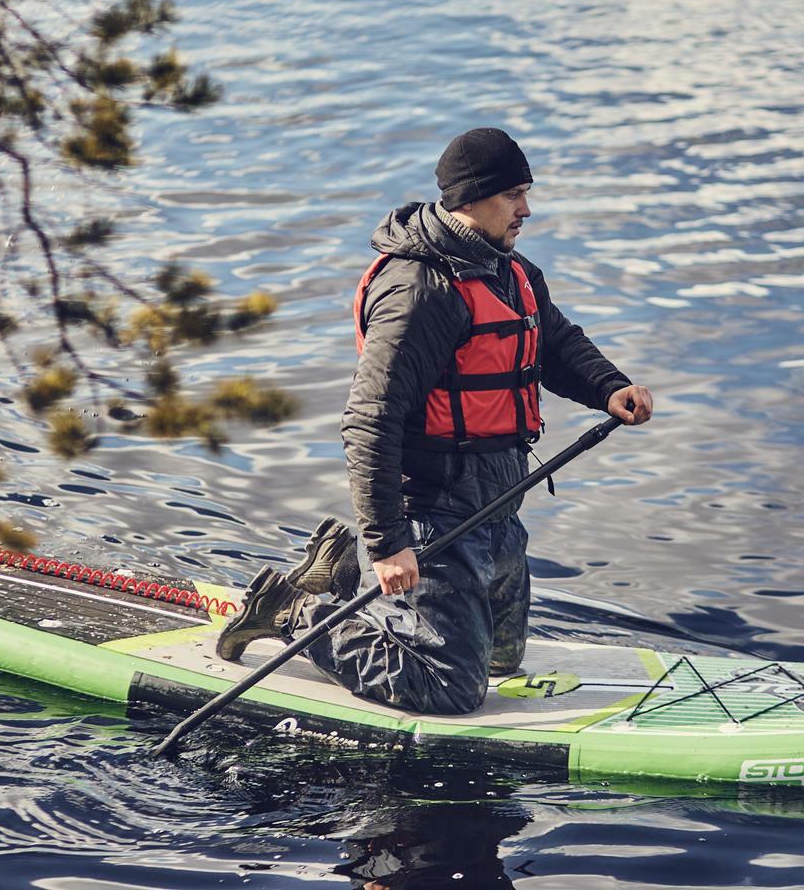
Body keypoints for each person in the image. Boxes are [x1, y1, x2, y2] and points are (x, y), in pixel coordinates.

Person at [217, 127, 653, 715]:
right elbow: (369, 422)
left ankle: (348, 585)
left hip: (499, 502)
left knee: (503, 660)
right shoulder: (419, 293)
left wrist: (609, 387)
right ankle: (294, 610)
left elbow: (552, 339)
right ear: (469, 200)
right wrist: (388, 544)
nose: (526, 209)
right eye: (513, 195)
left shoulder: (510, 269)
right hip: (437, 514)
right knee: (450, 689)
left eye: (526, 192)